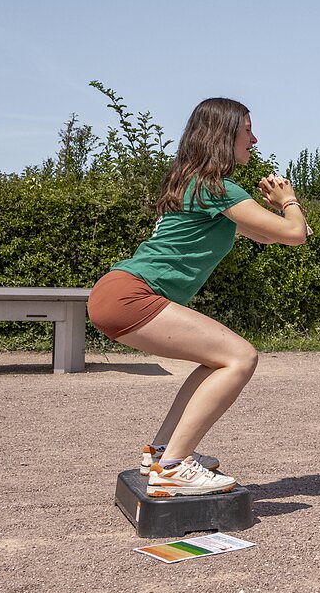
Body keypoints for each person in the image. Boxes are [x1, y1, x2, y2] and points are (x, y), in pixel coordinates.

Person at [87, 98, 308, 497]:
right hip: (132, 295)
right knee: (241, 357)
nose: (254, 140)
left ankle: (161, 453)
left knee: (216, 360)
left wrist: (279, 214)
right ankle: (173, 466)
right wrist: (288, 200)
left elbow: (272, 235)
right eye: (247, 131)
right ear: (224, 135)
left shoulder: (197, 185)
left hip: (118, 291)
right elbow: (294, 233)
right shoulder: (218, 188)